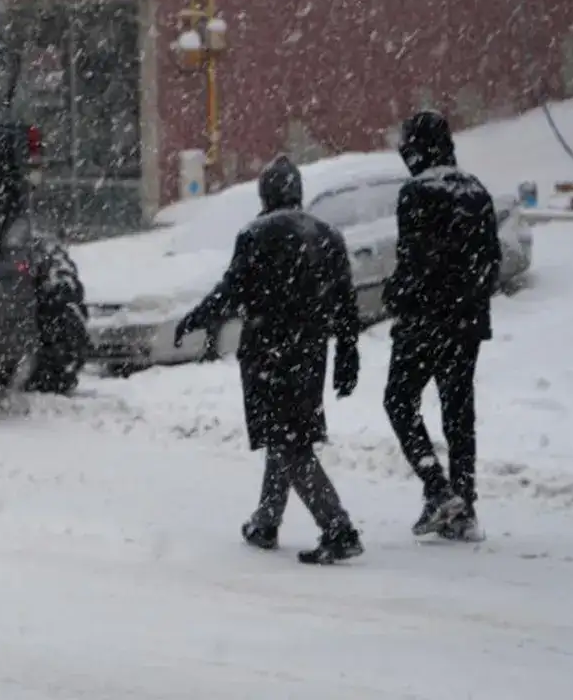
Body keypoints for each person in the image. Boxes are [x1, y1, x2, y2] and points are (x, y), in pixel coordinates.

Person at [174, 155, 363, 565]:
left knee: (288, 443)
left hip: (267, 353)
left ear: (266, 193)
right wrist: (348, 352)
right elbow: (346, 303)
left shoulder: (256, 235)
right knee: (289, 436)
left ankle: (337, 527)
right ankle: (266, 521)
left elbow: (232, 292)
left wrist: (196, 318)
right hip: (311, 352)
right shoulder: (328, 235)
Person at [383, 110, 502, 542]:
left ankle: (436, 487)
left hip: (424, 320)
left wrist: (397, 296)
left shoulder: (417, 193)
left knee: (399, 401)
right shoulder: (475, 190)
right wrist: (471, 299)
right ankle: (464, 506)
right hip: (466, 323)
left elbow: (414, 260)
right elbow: (491, 260)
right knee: (458, 412)